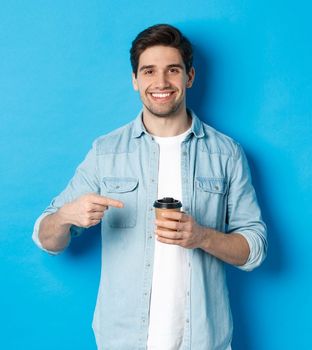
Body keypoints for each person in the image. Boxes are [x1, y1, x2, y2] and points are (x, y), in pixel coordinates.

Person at [32, 24, 267, 350]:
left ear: (190, 77)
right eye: (149, 71)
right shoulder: (106, 152)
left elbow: (254, 249)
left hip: (204, 341)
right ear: (135, 80)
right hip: (122, 341)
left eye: (173, 70)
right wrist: (65, 216)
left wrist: (201, 236)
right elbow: (47, 240)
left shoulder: (226, 153)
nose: (161, 82)